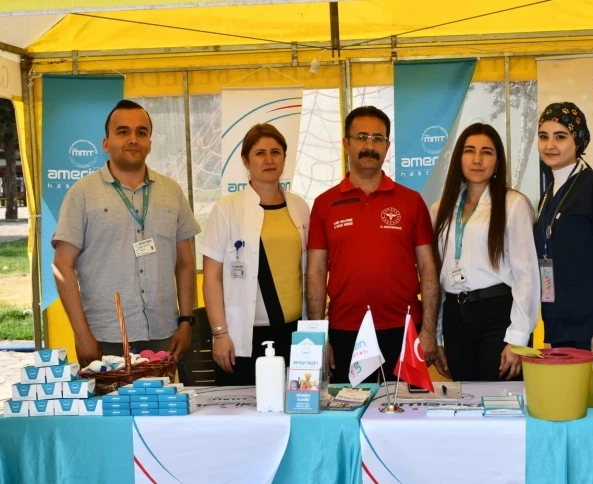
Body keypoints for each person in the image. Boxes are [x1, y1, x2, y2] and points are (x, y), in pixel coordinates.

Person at [53, 99, 200, 367]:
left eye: (141, 132)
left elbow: (186, 262)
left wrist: (186, 321)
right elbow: (62, 266)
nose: (133, 139)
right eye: (123, 132)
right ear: (105, 143)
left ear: (150, 143)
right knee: (109, 397)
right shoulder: (82, 194)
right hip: (104, 338)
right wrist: (82, 334)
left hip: (165, 336)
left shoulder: (172, 192)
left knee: (164, 396)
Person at [306, 106, 440, 383]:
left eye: (378, 139)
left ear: (387, 146)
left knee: (407, 408)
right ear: (346, 144)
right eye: (361, 137)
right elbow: (316, 273)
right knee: (349, 407)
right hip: (346, 331)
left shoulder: (411, 202)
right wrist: (319, 337)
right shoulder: (324, 204)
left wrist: (428, 331)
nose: (370, 146)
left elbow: (428, 269)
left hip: (404, 329)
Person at [198, 123, 309, 386]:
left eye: (275, 152)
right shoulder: (227, 208)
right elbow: (211, 278)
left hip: (295, 334)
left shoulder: (300, 207)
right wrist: (220, 334)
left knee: (296, 404)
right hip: (241, 337)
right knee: (241, 409)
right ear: (246, 161)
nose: (269, 160)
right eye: (260, 153)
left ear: (284, 158)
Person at [431, 123, 540, 381]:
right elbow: (436, 279)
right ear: (458, 158)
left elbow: (526, 275)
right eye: (469, 151)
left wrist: (518, 338)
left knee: (498, 398)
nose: (477, 160)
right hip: (455, 318)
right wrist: (437, 336)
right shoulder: (439, 210)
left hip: (498, 315)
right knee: (465, 398)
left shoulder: (513, 204)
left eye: (487, 152)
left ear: (497, 161)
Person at [535, 102, 593, 352]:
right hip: (560, 324)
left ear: (577, 141)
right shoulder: (548, 193)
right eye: (543, 136)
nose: (550, 144)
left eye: (560, 137)